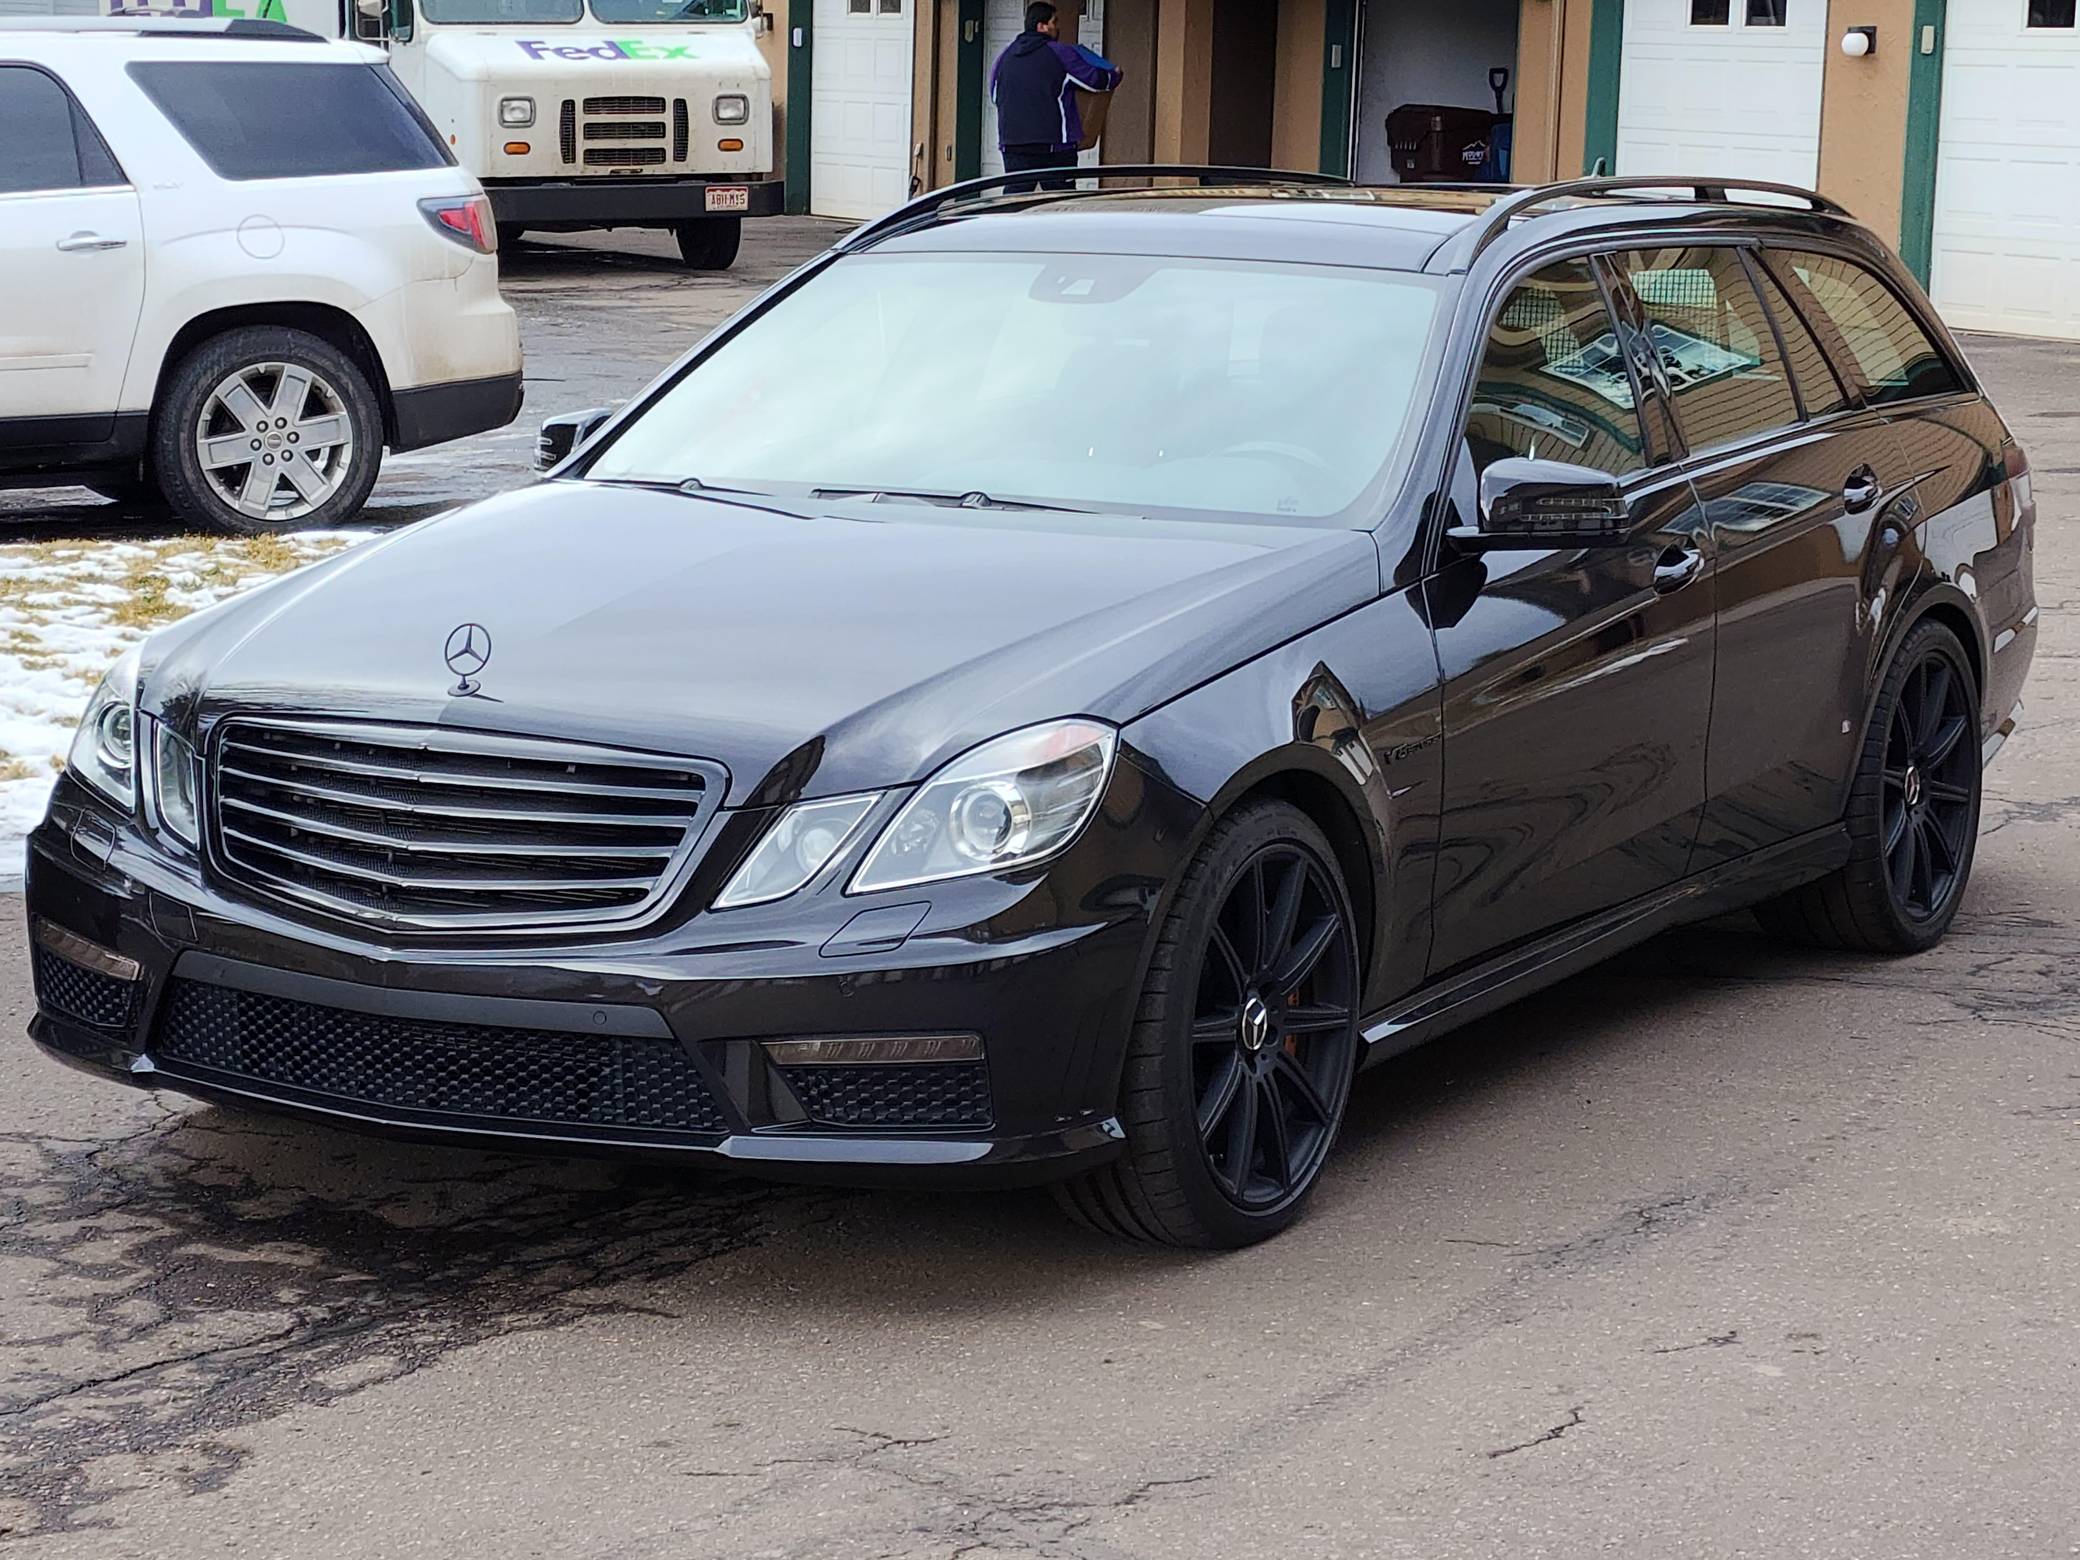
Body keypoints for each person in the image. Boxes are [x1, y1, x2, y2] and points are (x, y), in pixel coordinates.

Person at [989, 2, 1121, 193]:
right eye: (1054, 22)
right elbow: (1094, 80)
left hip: (1013, 143)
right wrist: (1114, 75)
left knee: (1015, 199)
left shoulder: (1005, 56)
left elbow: (995, 95)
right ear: (1041, 26)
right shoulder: (1060, 53)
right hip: (1054, 144)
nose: (1057, 27)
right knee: (1059, 200)